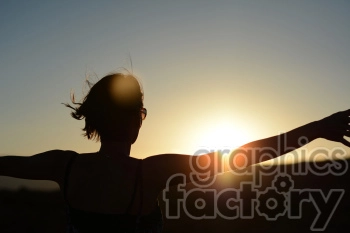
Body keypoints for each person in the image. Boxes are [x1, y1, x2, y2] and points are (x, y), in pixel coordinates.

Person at [0, 72, 349, 233]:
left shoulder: (64, 164)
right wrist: (316, 128)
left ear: (93, 121)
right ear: (138, 121)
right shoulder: (151, 172)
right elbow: (246, 155)